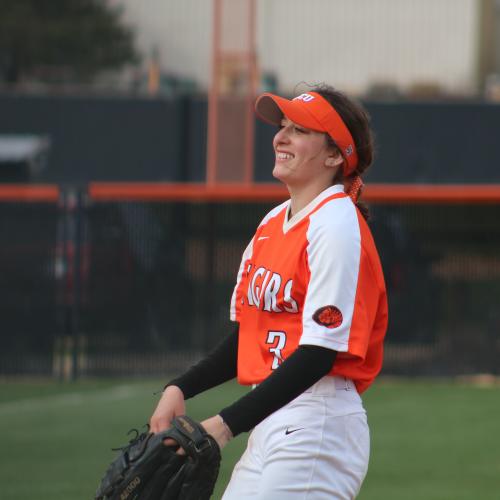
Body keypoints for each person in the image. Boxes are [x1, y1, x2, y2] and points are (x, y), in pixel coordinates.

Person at [149, 84, 388, 499]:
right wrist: (180, 387)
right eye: (282, 127)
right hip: (275, 421)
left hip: (318, 424)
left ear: (334, 156)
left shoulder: (335, 223)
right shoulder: (273, 223)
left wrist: (224, 425)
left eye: (299, 130)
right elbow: (250, 335)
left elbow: (318, 352)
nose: (280, 137)